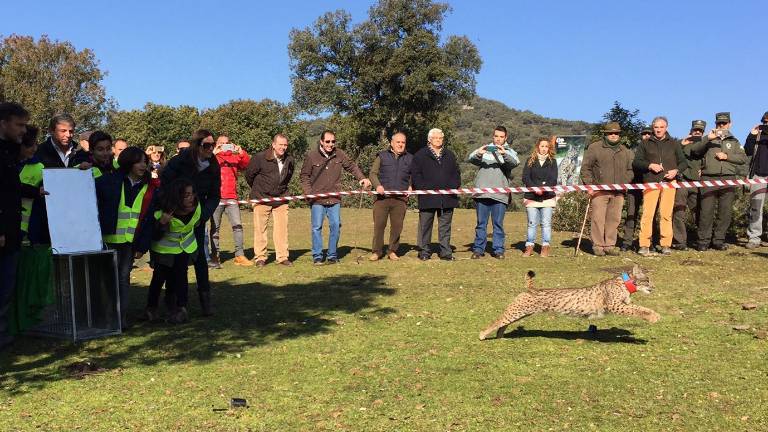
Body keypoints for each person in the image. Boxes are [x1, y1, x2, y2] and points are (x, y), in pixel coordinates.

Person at [159, 129, 220, 315]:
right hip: (176, 216)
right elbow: (165, 184)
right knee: (177, 260)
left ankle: (205, 303)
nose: (211, 149)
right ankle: (175, 301)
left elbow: (215, 195)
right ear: (196, 145)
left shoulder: (213, 164)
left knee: (201, 258)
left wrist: (202, 215)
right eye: (206, 145)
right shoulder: (180, 161)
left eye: (213, 145)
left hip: (197, 218)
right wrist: (175, 208)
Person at [95, 146, 152, 328]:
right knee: (105, 281)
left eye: (145, 161)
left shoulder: (148, 188)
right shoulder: (108, 181)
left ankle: (120, 319)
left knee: (123, 280)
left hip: (129, 243)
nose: (143, 165)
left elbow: (149, 219)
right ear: (128, 162)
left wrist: (142, 246)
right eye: (139, 161)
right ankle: (104, 317)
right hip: (107, 240)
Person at [300, 130, 371, 265]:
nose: (330, 144)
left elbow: (351, 166)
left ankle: (332, 255)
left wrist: (362, 178)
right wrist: (309, 194)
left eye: (333, 141)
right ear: (321, 141)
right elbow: (304, 176)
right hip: (317, 200)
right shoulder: (311, 156)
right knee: (316, 227)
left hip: (335, 199)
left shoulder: (339, 154)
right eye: (327, 141)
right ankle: (317, 256)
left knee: (336, 226)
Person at [137, 178, 201, 324]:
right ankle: (151, 309)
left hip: (185, 248)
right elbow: (153, 235)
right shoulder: (162, 213)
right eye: (187, 195)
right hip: (163, 251)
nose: (191, 198)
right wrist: (161, 224)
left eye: (192, 194)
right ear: (177, 197)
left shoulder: (197, 207)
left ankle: (180, 309)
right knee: (158, 279)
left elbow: (196, 223)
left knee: (180, 277)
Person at [688, 112, 747, 251]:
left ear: (729, 124)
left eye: (724, 123)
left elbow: (743, 158)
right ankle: (703, 241)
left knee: (725, 213)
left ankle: (718, 241)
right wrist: (707, 138)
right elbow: (694, 151)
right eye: (719, 123)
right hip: (709, 178)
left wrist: (727, 156)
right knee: (705, 212)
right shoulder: (708, 139)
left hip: (728, 179)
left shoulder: (734, 141)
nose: (721, 126)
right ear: (715, 124)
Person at [633, 116, 687, 256]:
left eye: (661, 127)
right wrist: (649, 165)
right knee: (648, 214)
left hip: (670, 183)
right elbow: (636, 162)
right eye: (656, 127)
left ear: (666, 128)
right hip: (651, 181)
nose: (658, 130)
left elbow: (683, 163)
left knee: (666, 215)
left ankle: (665, 245)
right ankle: (644, 244)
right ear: (653, 128)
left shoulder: (674, 144)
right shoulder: (644, 143)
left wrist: (676, 170)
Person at [0, 102, 29, 349]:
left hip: (12, 230)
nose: (23, 130)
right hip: (3, 230)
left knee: (7, 285)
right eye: (19, 125)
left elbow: (12, 189)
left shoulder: (11, 151)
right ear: (3, 123)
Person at [581, 122, 634, 256]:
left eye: (616, 133)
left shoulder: (625, 151)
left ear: (619, 134)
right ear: (605, 134)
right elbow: (585, 168)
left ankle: (610, 245)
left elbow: (631, 170)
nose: (613, 135)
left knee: (614, 219)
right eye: (610, 133)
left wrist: (624, 183)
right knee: (598, 219)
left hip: (618, 192)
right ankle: (598, 246)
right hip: (599, 191)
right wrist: (590, 185)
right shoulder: (595, 148)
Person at [468, 126, 519, 259]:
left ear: (505, 138)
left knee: (498, 224)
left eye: (501, 137)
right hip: (482, 193)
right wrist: (479, 152)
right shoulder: (485, 149)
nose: (498, 139)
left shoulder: (509, 151)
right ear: (493, 136)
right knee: (481, 224)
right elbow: (470, 158)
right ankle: (478, 250)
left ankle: (498, 250)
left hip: (500, 194)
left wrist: (503, 153)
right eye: (496, 136)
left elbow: (515, 163)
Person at [245, 134, 295, 266]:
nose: (283, 147)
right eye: (280, 145)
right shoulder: (259, 158)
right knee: (260, 229)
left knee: (282, 229)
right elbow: (249, 175)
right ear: (273, 145)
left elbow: (289, 175)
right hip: (261, 197)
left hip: (281, 198)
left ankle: (282, 257)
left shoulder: (289, 159)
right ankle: (260, 257)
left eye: (285, 145)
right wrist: (259, 189)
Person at [412, 128, 461, 261]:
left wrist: (452, 186)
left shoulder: (450, 155)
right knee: (425, 226)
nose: (439, 140)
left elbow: (456, 173)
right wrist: (425, 188)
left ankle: (445, 252)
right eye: (436, 138)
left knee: (445, 227)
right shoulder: (420, 155)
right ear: (429, 139)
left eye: (441, 138)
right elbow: (416, 175)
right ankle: (424, 252)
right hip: (427, 198)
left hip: (447, 198)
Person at [368, 132, 413, 261]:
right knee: (379, 226)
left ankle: (392, 251)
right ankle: (377, 251)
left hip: (400, 200)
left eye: (403, 142)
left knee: (397, 227)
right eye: (398, 142)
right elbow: (373, 174)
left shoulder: (410, 158)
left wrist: (411, 186)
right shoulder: (381, 156)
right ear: (392, 143)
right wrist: (377, 186)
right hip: (382, 199)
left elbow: (413, 175)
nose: (400, 144)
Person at [209, 134, 251, 267]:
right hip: (215, 197)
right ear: (216, 144)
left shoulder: (235, 156)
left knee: (238, 226)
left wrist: (242, 152)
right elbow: (203, 167)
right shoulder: (211, 156)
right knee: (215, 228)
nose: (224, 145)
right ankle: (215, 256)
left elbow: (247, 165)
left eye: (227, 143)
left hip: (232, 196)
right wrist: (213, 153)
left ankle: (239, 256)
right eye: (221, 143)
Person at [672, 120, 707, 250]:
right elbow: (671, 155)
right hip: (682, 181)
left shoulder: (706, 145)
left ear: (703, 132)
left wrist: (704, 168)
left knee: (699, 213)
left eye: (700, 131)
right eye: (695, 130)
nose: (697, 132)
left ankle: (701, 240)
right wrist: (681, 144)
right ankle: (680, 241)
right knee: (678, 212)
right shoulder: (681, 143)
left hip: (698, 183)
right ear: (690, 130)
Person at [522, 137, 558, 257]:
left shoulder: (553, 161)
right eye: (542, 146)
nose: (544, 149)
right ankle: (529, 246)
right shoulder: (530, 160)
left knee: (546, 223)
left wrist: (543, 189)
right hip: (531, 197)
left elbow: (553, 179)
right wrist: (535, 188)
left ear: (549, 148)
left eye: (546, 146)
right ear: (538, 147)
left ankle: (545, 246)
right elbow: (526, 177)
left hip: (547, 198)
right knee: (532, 223)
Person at [620, 126, 651, 252]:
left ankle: (650, 241)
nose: (647, 136)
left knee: (650, 215)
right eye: (644, 134)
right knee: (631, 214)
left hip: (650, 185)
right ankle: (627, 242)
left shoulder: (656, 151)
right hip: (634, 185)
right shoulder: (633, 150)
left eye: (649, 134)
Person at [744, 111, 768, 249]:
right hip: (758, 176)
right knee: (756, 207)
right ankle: (754, 237)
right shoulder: (758, 134)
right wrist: (751, 135)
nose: (766, 125)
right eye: (764, 122)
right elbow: (747, 151)